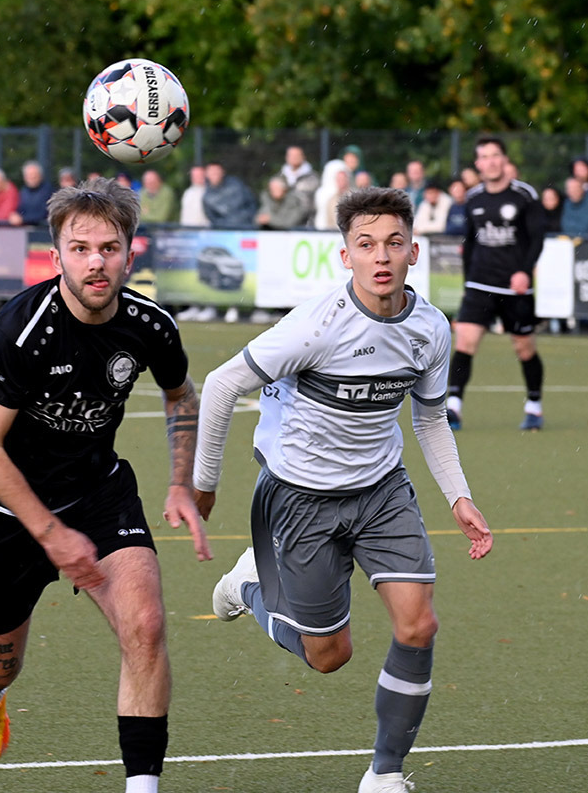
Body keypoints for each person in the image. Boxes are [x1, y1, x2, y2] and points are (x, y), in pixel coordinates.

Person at [193, 187, 493, 793]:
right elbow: (222, 385)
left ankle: (385, 774)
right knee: (329, 655)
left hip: (382, 491)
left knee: (419, 626)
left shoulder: (431, 330)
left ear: (414, 251)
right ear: (345, 256)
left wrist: (459, 497)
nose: (380, 256)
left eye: (393, 243)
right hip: (301, 498)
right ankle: (250, 584)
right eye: (365, 244)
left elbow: (430, 418)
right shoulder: (316, 326)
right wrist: (204, 485)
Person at [0, 178, 211, 792]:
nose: (97, 261)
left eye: (110, 248)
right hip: (2, 508)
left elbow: (180, 393)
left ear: (130, 254)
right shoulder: (22, 329)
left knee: (144, 626)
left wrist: (179, 481)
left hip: (96, 491)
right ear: (56, 254)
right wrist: (50, 534)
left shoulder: (150, 325)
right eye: (82, 247)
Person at [447, 137, 547, 431]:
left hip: (514, 287)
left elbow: (537, 238)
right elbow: (469, 242)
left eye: (495, 155)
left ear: (504, 159)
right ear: (477, 164)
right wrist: (467, 283)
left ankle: (534, 406)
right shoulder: (474, 198)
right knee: (465, 341)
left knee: (524, 348)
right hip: (480, 284)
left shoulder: (524, 195)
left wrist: (525, 271)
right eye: (484, 157)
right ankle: (454, 407)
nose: (490, 161)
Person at [202, 162, 256, 227]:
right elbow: (213, 218)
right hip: (225, 231)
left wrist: (246, 217)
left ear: (222, 172)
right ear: (206, 174)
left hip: (246, 226)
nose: (215, 173)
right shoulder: (207, 197)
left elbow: (251, 202)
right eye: (212, 172)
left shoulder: (237, 184)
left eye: (217, 171)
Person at [280, 145, 319, 220]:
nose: (294, 158)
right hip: (283, 220)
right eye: (291, 155)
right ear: (286, 157)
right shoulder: (279, 177)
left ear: (303, 157)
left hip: (306, 221)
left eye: (297, 155)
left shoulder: (313, 178)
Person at [10, 160, 54, 226]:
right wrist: (14, 216)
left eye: (34, 175)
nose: (32, 177)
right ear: (25, 177)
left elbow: (44, 213)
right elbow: (20, 209)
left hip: (43, 230)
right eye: (29, 175)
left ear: (40, 176)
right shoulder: (23, 192)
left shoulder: (48, 191)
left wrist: (23, 219)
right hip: (25, 231)